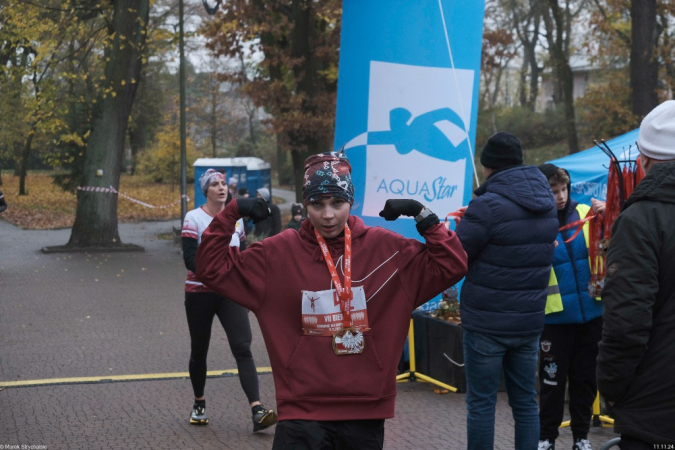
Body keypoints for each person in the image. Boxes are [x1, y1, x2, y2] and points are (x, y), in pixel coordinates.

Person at [195, 151, 467, 449]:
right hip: (301, 412)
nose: (327, 215)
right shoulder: (277, 255)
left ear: (352, 202)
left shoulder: (388, 251)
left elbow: (452, 265)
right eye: (316, 204)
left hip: (364, 411)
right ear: (305, 204)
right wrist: (230, 213)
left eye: (337, 203)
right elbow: (210, 268)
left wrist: (424, 216)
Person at [455, 132, 559, 450]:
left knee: (482, 405)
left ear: (488, 167)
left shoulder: (486, 206)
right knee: (526, 403)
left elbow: (456, 254)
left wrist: (460, 225)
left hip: (487, 323)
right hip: (528, 323)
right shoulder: (547, 204)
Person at [597, 100, 675, 449]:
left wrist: (611, 387)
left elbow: (626, 321)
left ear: (643, 160)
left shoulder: (641, 220)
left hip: (655, 408)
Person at [181, 169, 277, 431]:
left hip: (230, 294)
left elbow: (241, 258)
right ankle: (199, 402)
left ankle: (257, 409)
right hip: (199, 294)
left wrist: (244, 289)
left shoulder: (237, 221)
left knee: (243, 347)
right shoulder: (193, 218)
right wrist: (213, 275)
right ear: (206, 191)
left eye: (224, 183)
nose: (222, 188)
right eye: (215, 184)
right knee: (199, 350)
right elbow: (190, 259)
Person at [537, 164, 606, 450]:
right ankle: (546, 438)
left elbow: (610, 244)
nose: (561, 196)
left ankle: (581, 437)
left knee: (585, 382)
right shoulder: (535, 223)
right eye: (554, 191)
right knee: (552, 384)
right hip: (554, 319)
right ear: (542, 192)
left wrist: (611, 215)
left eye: (564, 189)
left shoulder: (586, 214)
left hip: (591, 315)